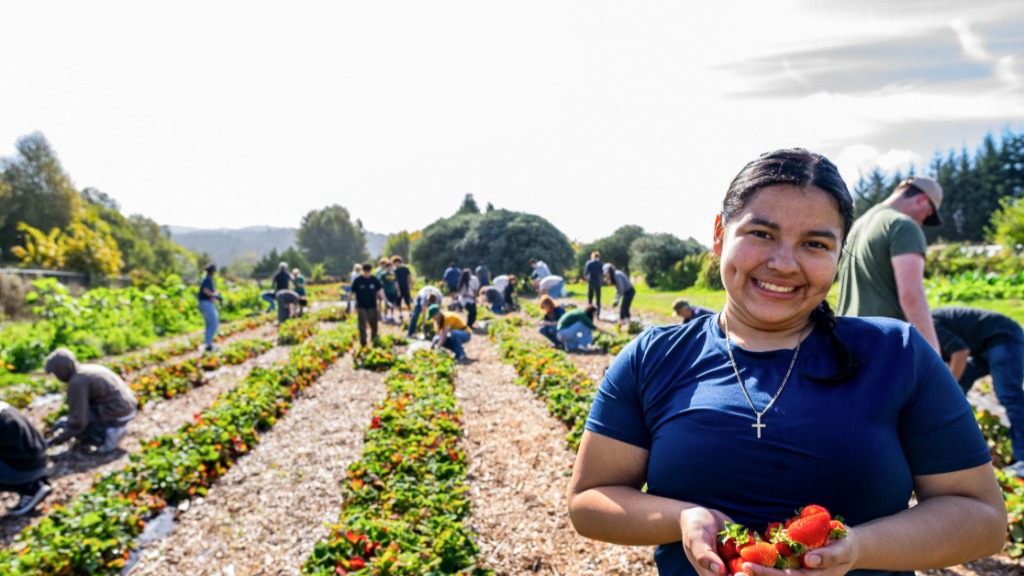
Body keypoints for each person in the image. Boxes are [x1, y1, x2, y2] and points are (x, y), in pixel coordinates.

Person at [566, 148, 1005, 576]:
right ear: (720, 234)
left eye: (814, 243)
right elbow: (590, 500)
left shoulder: (899, 354)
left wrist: (856, 550)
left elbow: (982, 519)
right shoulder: (653, 357)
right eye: (762, 234)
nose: (783, 263)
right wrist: (682, 517)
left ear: (838, 256)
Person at [837, 175, 944, 353]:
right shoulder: (903, 226)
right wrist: (932, 352)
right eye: (928, 215)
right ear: (923, 200)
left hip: (846, 341)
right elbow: (912, 296)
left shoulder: (857, 226)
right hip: (883, 347)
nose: (923, 222)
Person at [932, 306, 1024, 476]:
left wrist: (948, 388)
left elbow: (960, 353)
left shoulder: (931, 323)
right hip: (981, 348)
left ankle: (1023, 460)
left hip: (1003, 337)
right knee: (958, 388)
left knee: (1009, 395)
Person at [44, 348, 138, 454]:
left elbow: (78, 421)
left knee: (69, 425)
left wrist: (56, 440)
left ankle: (109, 434)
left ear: (61, 369)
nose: (56, 377)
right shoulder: (87, 369)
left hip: (117, 414)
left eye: (56, 373)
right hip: (128, 408)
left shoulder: (77, 383)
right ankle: (111, 429)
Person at [0, 402, 51, 516]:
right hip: (39, 461)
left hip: (24, 469)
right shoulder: (3, 406)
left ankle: (29, 488)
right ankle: (33, 484)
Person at [351, 262, 384, 347]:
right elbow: (352, 292)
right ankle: (363, 342)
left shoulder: (374, 280)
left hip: (372, 305)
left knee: (374, 324)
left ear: (370, 271)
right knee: (362, 325)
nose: (367, 273)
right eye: (365, 271)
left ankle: (374, 339)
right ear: (363, 271)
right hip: (361, 306)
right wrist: (349, 304)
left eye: (368, 271)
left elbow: (380, 291)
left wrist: (384, 300)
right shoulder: (358, 281)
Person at [197, 264, 222, 352]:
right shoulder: (207, 279)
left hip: (205, 303)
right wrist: (213, 295)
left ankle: (208, 344)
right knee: (214, 323)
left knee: (209, 324)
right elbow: (205, 290)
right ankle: (208, 345)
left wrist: (214, 294)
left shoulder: (207, 279)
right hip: (206, 303)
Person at [376, 259, 400, 323]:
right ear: (386, 268)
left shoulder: (394, 274)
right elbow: (379, 283)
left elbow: (396, 283)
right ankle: (385, 316)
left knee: (392, 304)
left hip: (393, 291)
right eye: (388, 267)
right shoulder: (383, 274)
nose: (389, 268)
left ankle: (392, 316)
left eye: (390, 267)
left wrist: (398, 290)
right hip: (386, 292)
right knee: (386, 304)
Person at [392, 256, 413, 322]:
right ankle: (400, 314)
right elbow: (395, 281)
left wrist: (410, 285)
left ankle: (410, 313)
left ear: (399, 262)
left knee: (408, 301)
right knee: (399, 302)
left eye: (397, 262)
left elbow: (409, 277)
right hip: (398, 288)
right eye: (395, 263)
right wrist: (397, 290)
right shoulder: (394, 271)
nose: (396, 264)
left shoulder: (405, 269)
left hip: (405, 287)